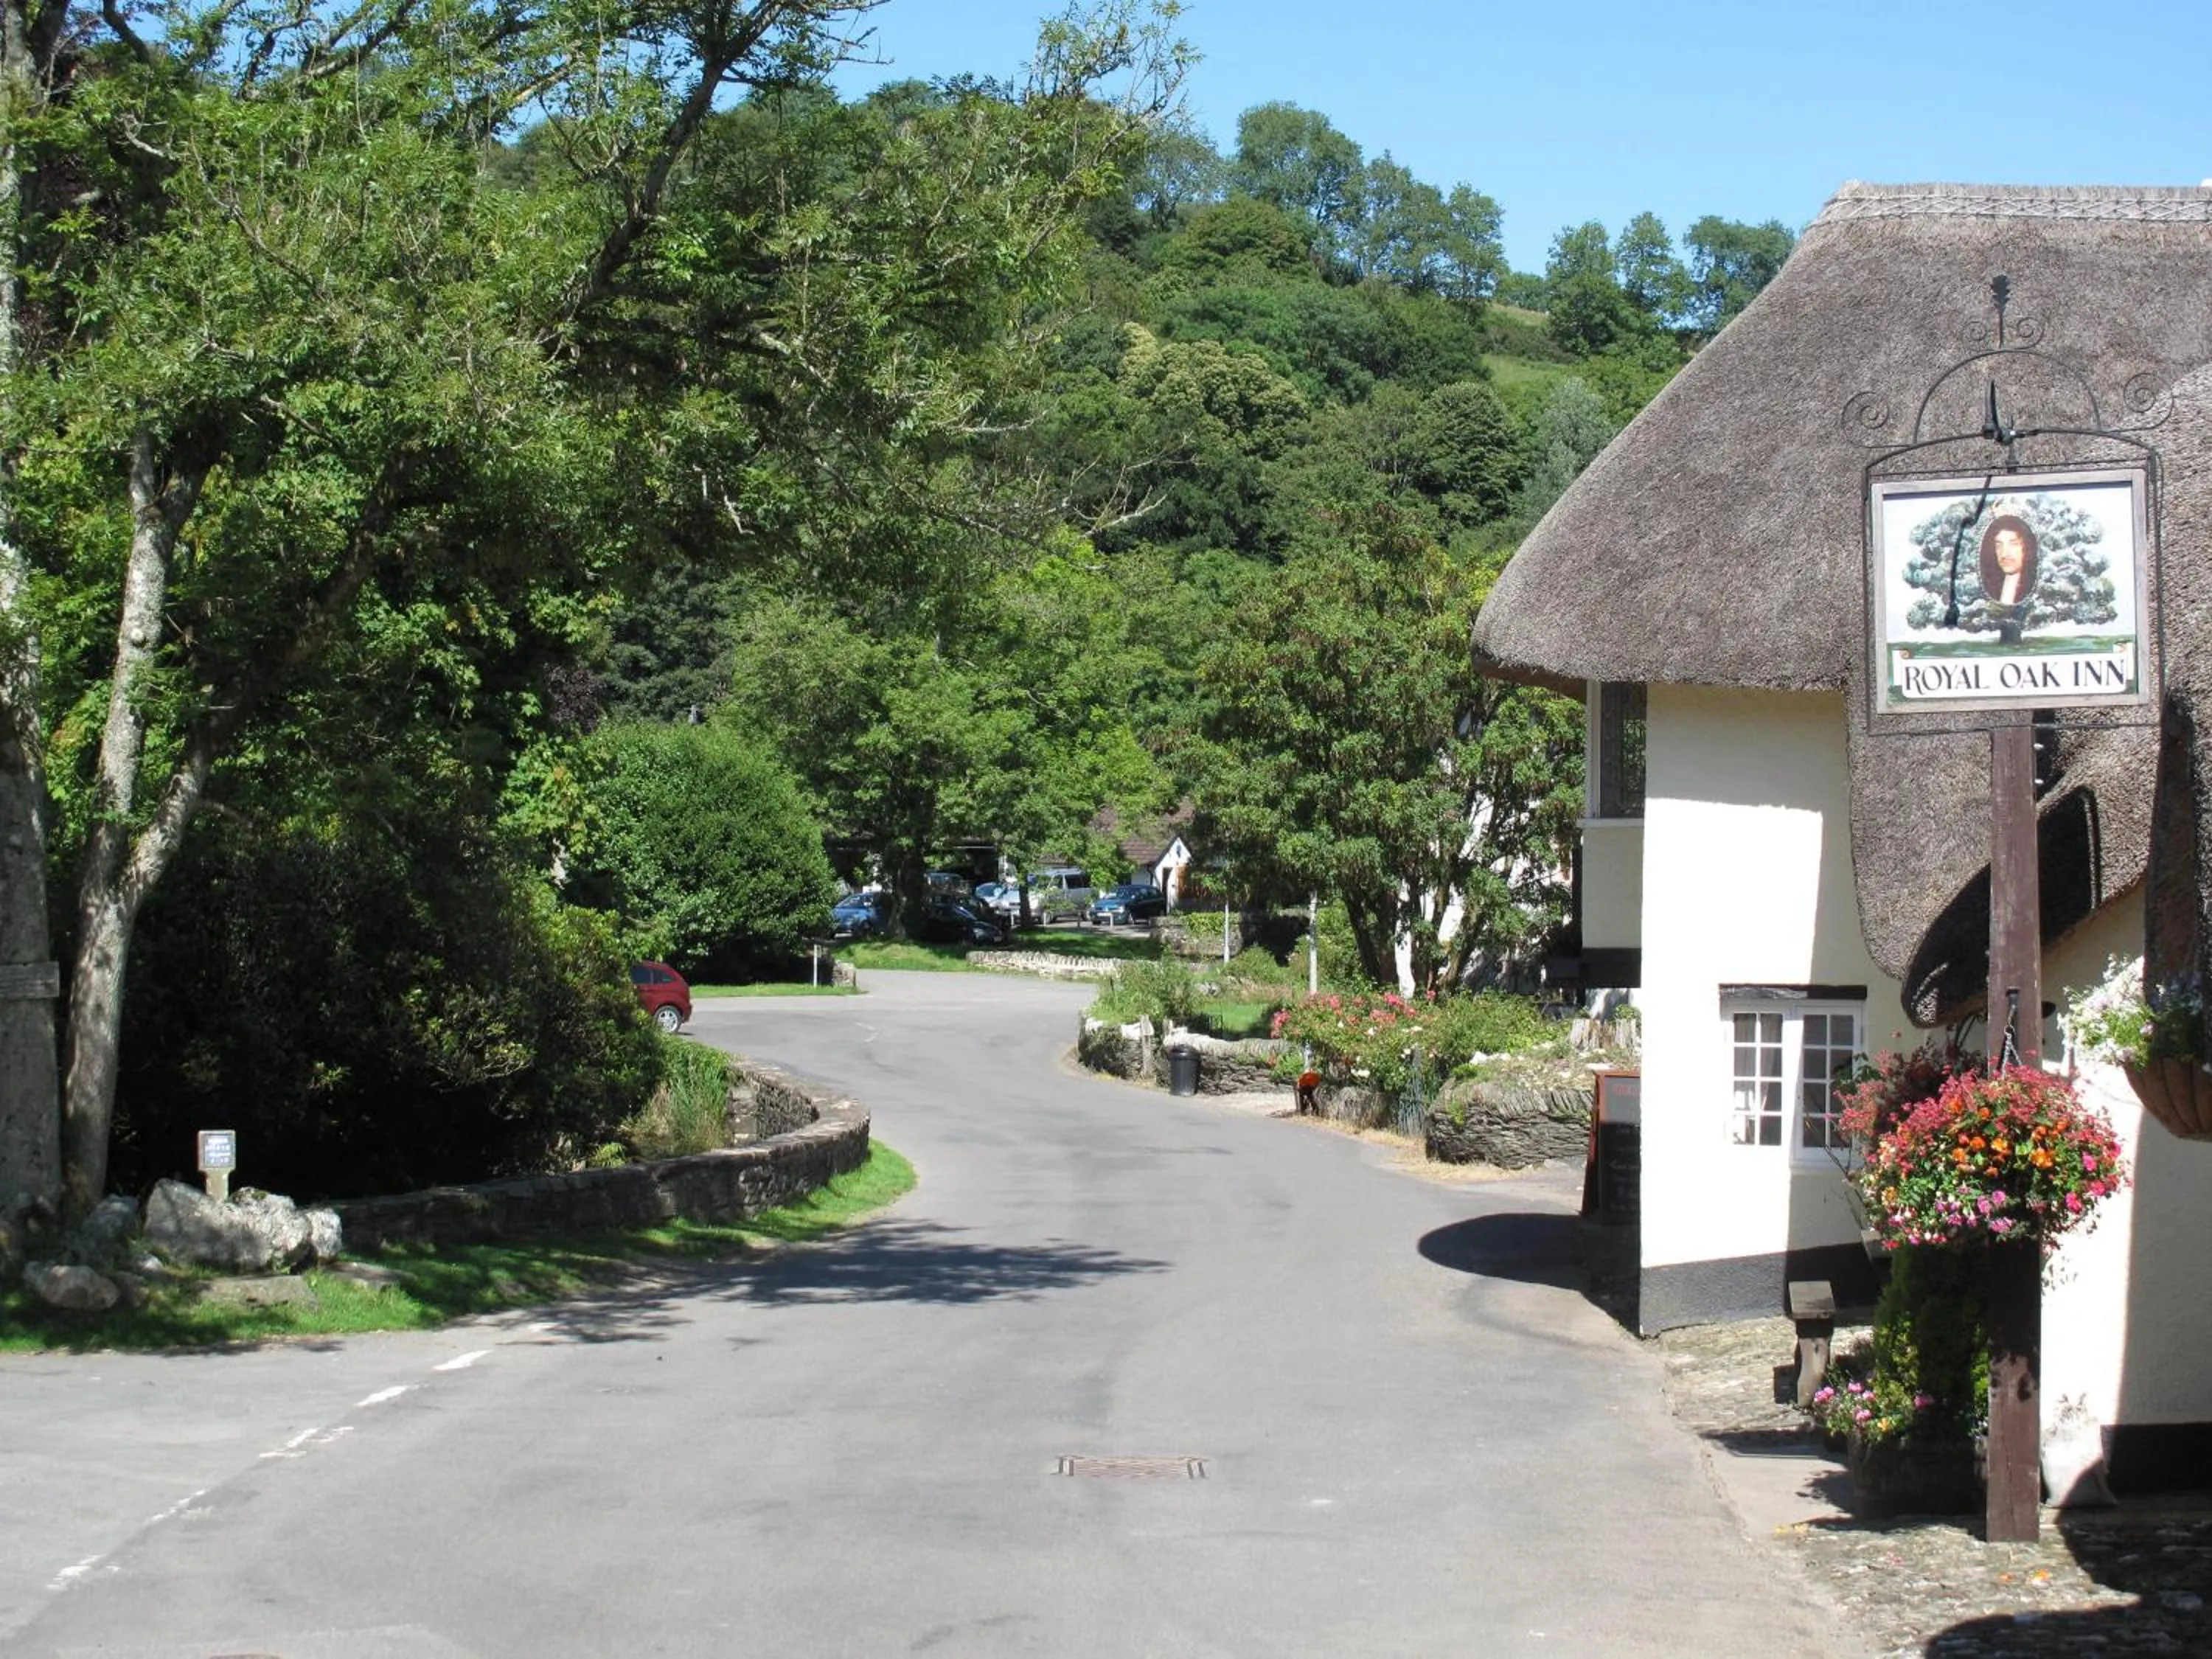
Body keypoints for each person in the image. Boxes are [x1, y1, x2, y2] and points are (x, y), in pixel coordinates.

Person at [1978, 513, 2039, 641]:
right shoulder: (1993, 588)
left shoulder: (2032, 589)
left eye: (2013, 544)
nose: (2004, 554)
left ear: (2026, 548)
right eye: (1999, 545)